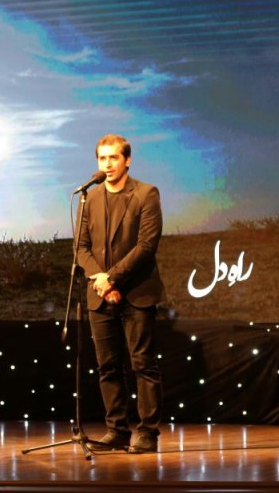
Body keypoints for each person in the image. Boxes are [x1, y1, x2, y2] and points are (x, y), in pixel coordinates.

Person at [76, 133, 165, 454]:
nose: (107, 164)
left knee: (143, 364)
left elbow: (147, 245)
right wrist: (100, 280)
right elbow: (81, 248)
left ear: (127, 160)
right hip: (99, 294)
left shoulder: (145, 193)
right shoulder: (90, 198)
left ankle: (148, 433)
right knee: (108, 367)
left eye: (113, 157)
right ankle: (117, 430)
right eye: (102, 158)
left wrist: (111, 279)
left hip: (137, 292)